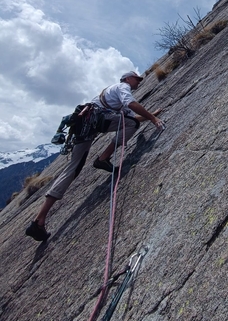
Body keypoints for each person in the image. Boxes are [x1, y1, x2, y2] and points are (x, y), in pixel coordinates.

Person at [25, 71, 163, 242]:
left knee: (73, 169)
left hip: (86, 125)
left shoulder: (114, 95)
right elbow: (132, 106)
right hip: (95, 122)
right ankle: (103, 159)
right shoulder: (123, 87)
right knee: (74, 168)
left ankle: (38, 220)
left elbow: (131, 119)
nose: (139, 82)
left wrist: (151, 115)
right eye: (137, 79)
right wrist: (153, 118)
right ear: (127, 79)